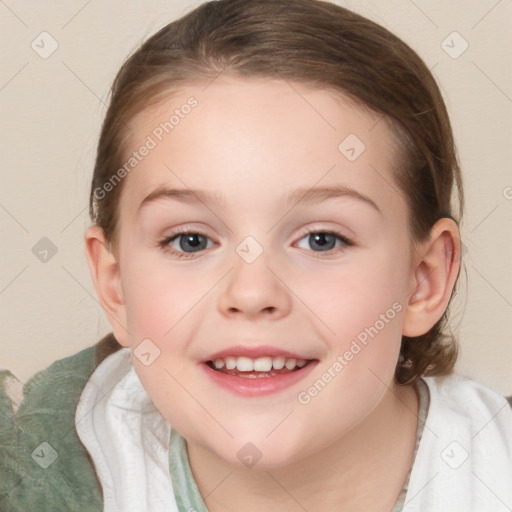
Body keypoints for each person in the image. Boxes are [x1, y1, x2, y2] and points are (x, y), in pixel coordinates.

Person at [1, 0, 511, 510]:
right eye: (191, 240)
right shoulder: (34, 479)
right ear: (116, 285)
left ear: (422, 280)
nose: (251, 293)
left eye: (321, 239)